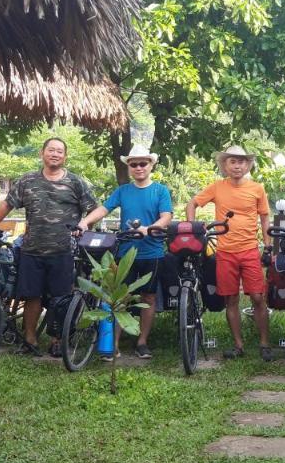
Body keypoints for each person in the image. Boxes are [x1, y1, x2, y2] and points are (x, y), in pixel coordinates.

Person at [0, 137, 100, 357]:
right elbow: (7, 205)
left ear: (65, 157)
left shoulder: (76, 182)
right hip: (32, 249)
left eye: (60, 151)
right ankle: (30, 340)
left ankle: (58, 340)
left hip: (64, 250)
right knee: (31, 297)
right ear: (42, 153)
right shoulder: (27, 181)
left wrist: (84, 225)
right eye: (51, 150)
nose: (55, 154)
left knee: (61, 298)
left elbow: (94, 209)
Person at [187, 145, 272, 361]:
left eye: (241, 161)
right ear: (225, 165)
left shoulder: (257, 188)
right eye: (233, 161)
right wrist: (192, 228)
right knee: (231, 299)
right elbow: (193, 203)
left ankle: (264, 343)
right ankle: (238, 344)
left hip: (250, 250)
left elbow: (264, 217)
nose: (237, 165)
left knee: (258, 297)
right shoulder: (217, 187)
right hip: (225, 252)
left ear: (248, 164)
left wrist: (268, 245)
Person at [94, 145, 173, 359]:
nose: (139, 167)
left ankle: (142, 342)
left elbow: (166, 216)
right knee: (120, 297)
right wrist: (84, 222)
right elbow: (104, 209)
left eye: (143, 163)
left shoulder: (160, 190)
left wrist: (149, 229)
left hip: (152, 252)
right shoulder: (122, 191)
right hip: (126, 252)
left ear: (151, 165)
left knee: (148, 296)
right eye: (134, 164)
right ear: (129, 167)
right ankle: (114, 343)